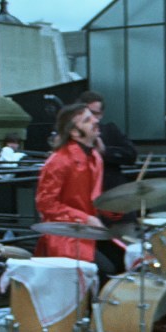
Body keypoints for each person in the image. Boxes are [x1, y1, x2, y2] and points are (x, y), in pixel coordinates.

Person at [35, 104, 116, 280]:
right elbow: (46, 204)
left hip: (89, 232)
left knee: (126, 261)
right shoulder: (59, 161)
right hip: (66, 237)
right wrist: (85, 218)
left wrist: (120, 206)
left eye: (93, 116)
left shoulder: (95, 156)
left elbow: (94, 199)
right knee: (106, 271)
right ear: (74, 132)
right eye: (87, 120)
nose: (96, 121)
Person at [76, 90, 138, 274]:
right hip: (89, 210)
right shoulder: (74, 137)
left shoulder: (109, 130)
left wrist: (105, 152)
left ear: (101, 115)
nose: (91, 118)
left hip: (115, 204)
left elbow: (130, 155)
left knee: (126, 254)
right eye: (86, 113)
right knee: (99, 264)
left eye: (95, 114)